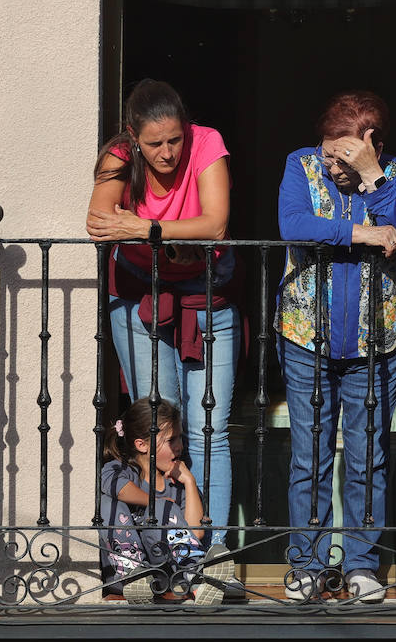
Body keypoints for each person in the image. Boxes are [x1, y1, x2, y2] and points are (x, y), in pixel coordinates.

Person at [274, 91, 396, 603]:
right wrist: (359, 231)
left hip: (377, 340)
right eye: (329, 151)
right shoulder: (301, 165)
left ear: (372, 146)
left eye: (345, 155)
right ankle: (308, 565)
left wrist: (372, 177)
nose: (332, 164)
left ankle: (361, 565)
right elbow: (292, 223)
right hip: (304, 335)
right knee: (309, 457)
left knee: (366, 457)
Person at [86, 79, 240, 547]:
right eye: (154, 144)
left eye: (175, 139)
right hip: (139, 293)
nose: (168, 152)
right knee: (160, 431)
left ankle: (210, 552)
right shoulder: (119, 154)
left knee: (209, 428)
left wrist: (146, 227)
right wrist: (169, 236)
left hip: (206, 291)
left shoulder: (207, 142)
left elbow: (214, 224)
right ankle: (163, 548)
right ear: (133, 137)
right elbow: (97, 222)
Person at [99, 398, 233, 604]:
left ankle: (196, 579)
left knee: (165, 508)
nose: (179, 446)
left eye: (180, 438)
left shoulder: (177, 485)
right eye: (172, 440)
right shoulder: (121, 469)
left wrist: (189, 481)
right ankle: (133, 573)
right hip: (127, 576)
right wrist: (156, 503)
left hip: (168, 572)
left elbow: (196, 532)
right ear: (141, 445)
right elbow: (116, 487)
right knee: (109, 502)